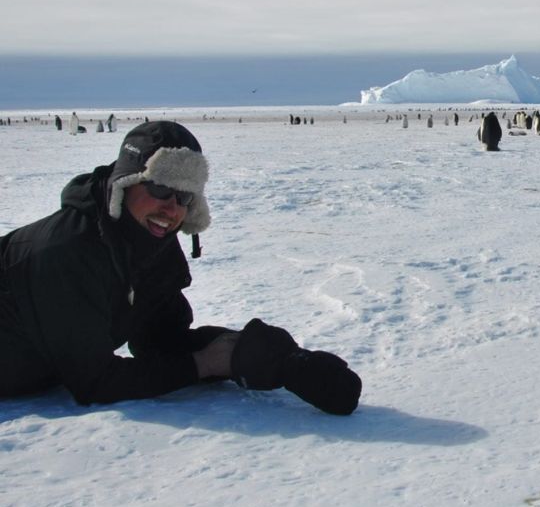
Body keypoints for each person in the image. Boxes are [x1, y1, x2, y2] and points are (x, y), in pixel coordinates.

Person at [0, 121, 361, 414]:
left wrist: (271, 359)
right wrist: (204, 364)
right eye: (160, 189)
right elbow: (93, 381)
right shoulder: (65, 251)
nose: (172, 209)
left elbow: (161, 341)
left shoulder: (149, 240)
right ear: (124, 184)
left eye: (184, 197)